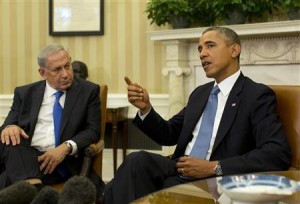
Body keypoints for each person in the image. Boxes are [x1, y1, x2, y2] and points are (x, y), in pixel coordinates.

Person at [104, 26, 291, 203]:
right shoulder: (200, 93)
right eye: (200, 49)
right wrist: (146, 109)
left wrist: (214, 167)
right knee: (136, 161)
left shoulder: (255, 95)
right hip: (179, 168)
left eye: (210, 46)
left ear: (234, 50)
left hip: (216, 180)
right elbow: (169, 134)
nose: (202, 54)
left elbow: (276, 153)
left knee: (118, 188)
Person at [0, 44, 105, 198]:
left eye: (67, 66)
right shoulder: (25, 93)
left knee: (6, 180)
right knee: (9, 138)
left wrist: (66, 147)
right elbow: (8, 124)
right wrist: (10, 127)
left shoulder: (88, 91)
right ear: (42, 73)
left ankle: (34, 192)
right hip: (28, 157)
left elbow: (92, 130)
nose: (65, 74)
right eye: (57, 69)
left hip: (61, 164)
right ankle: (37, 191)